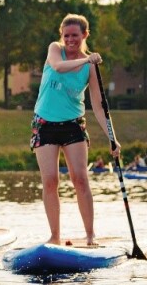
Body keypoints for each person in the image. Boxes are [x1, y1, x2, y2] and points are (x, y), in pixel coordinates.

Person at [30, 14, 114, 246]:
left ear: (85, 35)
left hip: (73, 125)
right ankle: (55, 236)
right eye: (66, 35)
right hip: (45, 123)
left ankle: (90, 236)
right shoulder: (55, 49)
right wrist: (87, 61)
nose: (70, 40)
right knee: (50, 181)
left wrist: (111, 138)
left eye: (75, 35)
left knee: (80, 179)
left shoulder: (90, 67)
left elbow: (98, 105)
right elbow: (58, 66)